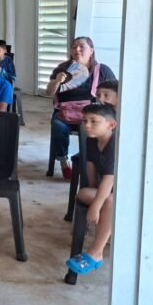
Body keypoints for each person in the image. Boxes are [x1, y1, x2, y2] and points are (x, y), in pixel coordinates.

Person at [46, 36, 116, 178]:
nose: (77, 49)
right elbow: (49, 92)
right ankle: (64, 162)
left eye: (81, 46)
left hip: (91, 114)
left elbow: (114, 91)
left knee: (95, 128)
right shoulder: (62, 69)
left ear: (91, 50)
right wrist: (57, 81)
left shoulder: (102, 70)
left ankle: (91, 162)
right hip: (65, 112)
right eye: (73, 47)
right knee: (58, 126)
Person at [66, 103, 117, 275]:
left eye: (94, 121)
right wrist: (95, 194)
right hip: (107, 189)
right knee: (83, 193)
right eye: (85, 120)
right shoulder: (92, 140)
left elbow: (110, 179)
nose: (87, 125)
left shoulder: (114, 144)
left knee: (109, 201)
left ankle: (96, 253)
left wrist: (95, 208)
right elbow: (90, 168)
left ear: (111, 125)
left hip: (127, 192)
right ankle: (97, 249)